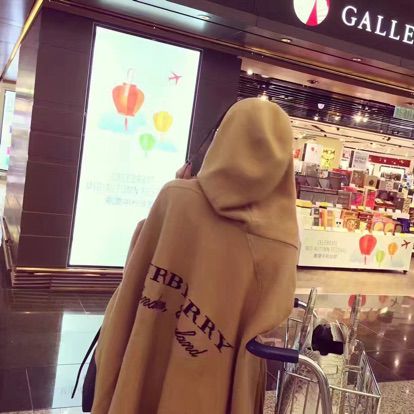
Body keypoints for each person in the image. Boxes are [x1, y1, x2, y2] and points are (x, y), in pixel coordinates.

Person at [92, 98, 299, 414]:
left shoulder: (176, 197)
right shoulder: (282, 237)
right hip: (222, 373)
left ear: (222, 137)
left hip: (152, 345)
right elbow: (274, 316)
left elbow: (137, 266)